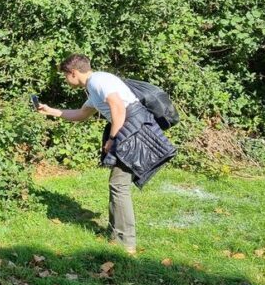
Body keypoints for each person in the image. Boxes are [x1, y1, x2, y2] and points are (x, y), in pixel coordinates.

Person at [37, 54, 175, 254]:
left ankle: (125, 243)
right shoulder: (95, 85)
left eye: (66, 76)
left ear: (73, 73)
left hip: (132, 128)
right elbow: (81, 114)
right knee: (118, 184)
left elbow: (118, 108)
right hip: (130, 127)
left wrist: (112, 139)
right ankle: (117, 234)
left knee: (119, 185)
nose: (66, 81)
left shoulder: (98, 81)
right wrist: (50, 111)